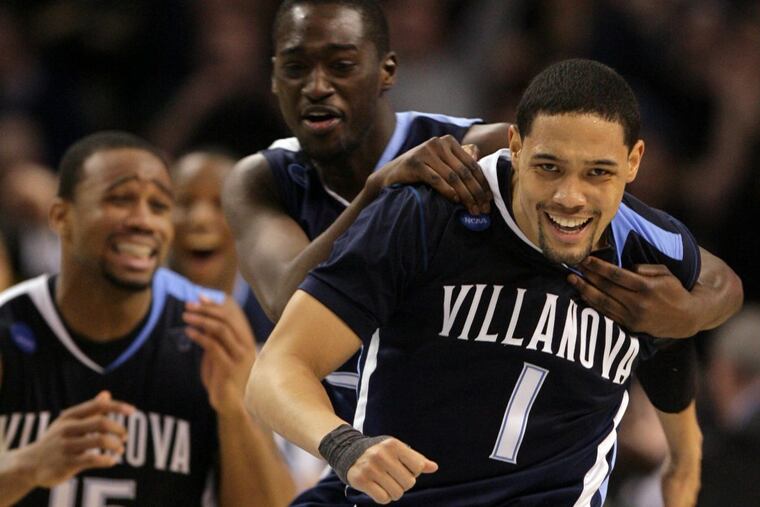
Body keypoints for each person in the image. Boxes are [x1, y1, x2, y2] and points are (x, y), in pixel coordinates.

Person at [225, 0, 741, 503]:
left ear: (633, 165)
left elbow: (709, 297)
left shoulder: (639, 242)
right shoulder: (428, 201)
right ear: (515, 149)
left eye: (597, 172)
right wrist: (344, 445)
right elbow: (277, 357)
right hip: (357, 449)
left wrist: (687, 326)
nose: (570, 196)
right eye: (549, 168)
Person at [0, 132, 295, 506]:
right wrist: (29, 466)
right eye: (120, 199)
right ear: (62, 216)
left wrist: (234, 411)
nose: (143, 221)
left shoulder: (209, 328)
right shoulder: (9, 324)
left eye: (159, 206)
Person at [170, 150, 273, 342]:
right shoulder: (136, 306)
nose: (200, 219)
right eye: (184, 202)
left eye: (220, 204)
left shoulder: (281, 312)